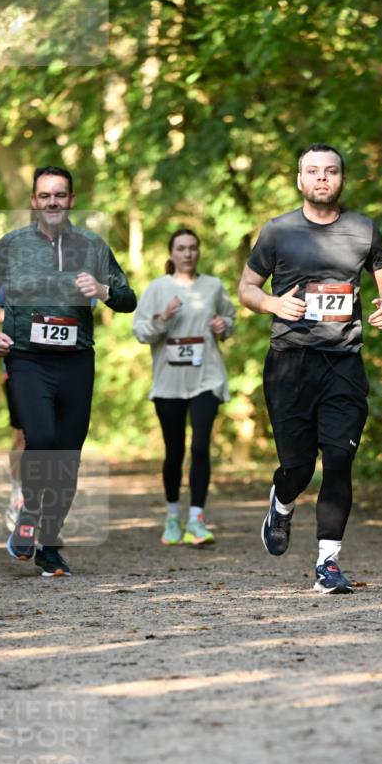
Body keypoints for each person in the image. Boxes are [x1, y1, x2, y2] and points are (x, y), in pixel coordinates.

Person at [238, 143, 382, 594]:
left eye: (331, 171)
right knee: (298, 467)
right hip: (289, 364)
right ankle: (282, 501)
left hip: (344, 362)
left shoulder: (363, 230)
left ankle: (328, 564)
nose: (322, 178)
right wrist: (273, 304)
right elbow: (247, 287)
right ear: (300, 180)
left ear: (342, 179)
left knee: (340, 459)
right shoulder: (278, 231)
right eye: (313, 171)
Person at [0, 165, 136, 577]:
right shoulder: (12, 245)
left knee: (67, 456)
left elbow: (128, 298)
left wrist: (103, 290)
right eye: (44, 195)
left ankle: (49, 545)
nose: (52, 202)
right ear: (34, 201)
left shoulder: (92, 245)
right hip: (27, 359)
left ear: (71, 199)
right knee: (41, 438)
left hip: (76, 361)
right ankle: (29, 511)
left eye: (59, 195)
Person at [133, 228, 236, 546]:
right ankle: (172, 516)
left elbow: (229, 321)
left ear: (199, 251)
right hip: (169, 382)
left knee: (201, 447)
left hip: (206, 377)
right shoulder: (157, 288)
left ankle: (197, 519)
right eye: (181, 248)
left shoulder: (213, 286)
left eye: (193, 247)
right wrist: (163, 318)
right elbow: (140, 331)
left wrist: (223, 325)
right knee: (174, 451)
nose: (188, 253)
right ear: (171, 253)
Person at [0, 290, 25, 532]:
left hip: (61, 368)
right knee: (22, 435)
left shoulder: (74, 273)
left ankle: (47, 499)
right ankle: (18, 494)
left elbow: (88, 308)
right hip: (18, 367)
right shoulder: (15, 276)